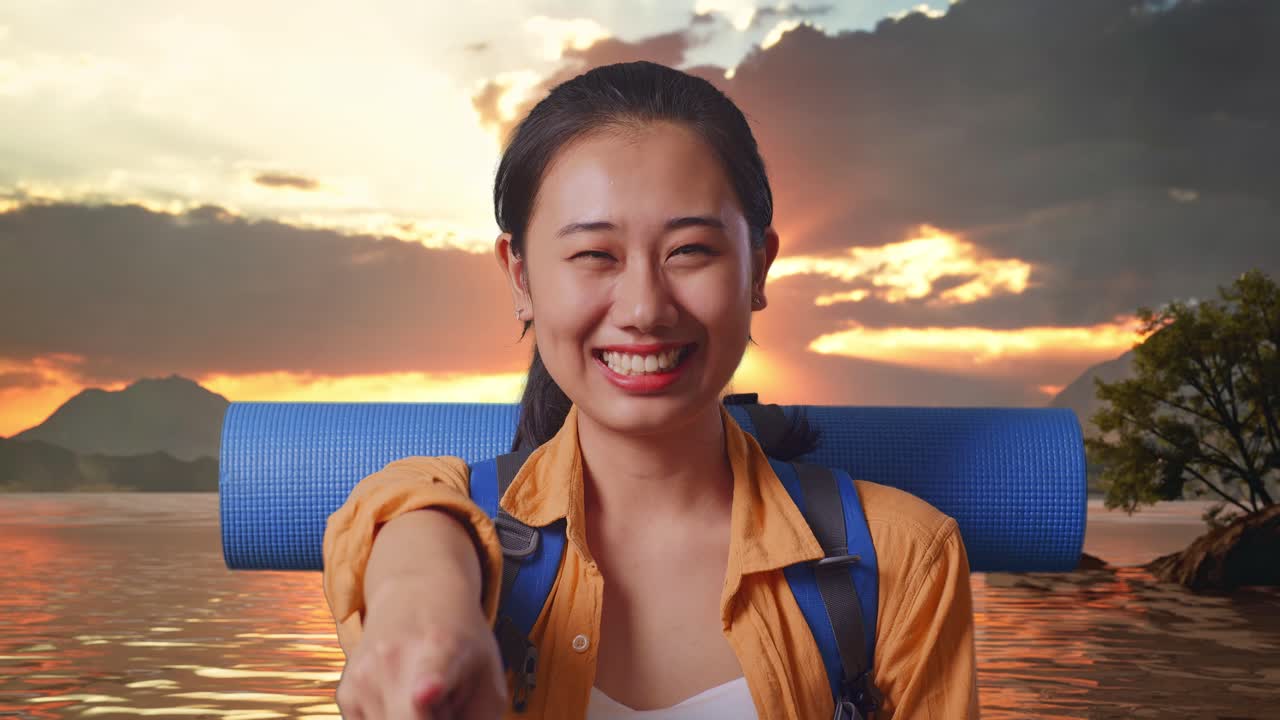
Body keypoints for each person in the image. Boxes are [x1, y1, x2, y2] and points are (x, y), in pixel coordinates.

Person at [322, 60, 979, 719]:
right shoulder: (439, 534)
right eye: (594, 255)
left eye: (690, 250)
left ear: (759, 267)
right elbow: (398, 514)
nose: (644, 307)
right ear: (519, 278)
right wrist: (425, 603)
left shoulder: (904, 558)